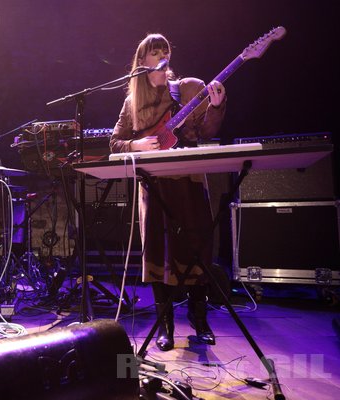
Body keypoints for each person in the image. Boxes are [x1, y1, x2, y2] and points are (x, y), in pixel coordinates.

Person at [110, 33, 226, 351]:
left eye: (165, 50)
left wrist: (215, 107)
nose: (161, 54)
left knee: (195, 247)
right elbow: (115, 142)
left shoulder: (186, 88)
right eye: (153, 51)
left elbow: (207, 131)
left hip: (189, 180)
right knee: (158, 250)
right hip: (155, 184)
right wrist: (135, 144)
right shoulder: (132, 101)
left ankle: (199, 322)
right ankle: (165, 328)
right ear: (142, 61)